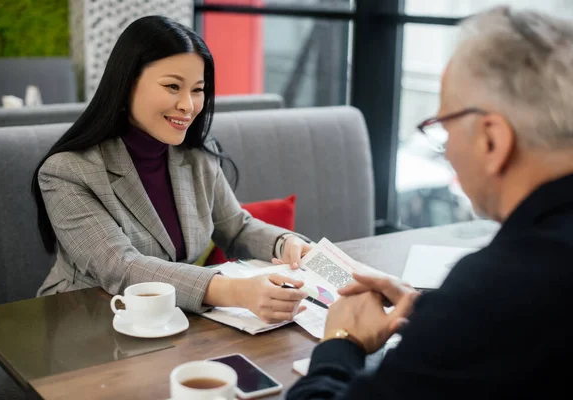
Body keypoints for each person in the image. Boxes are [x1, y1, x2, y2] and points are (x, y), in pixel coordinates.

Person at [287, 6, 573, 399]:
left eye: (443, 128)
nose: (447, 151)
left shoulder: (497, 290)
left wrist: (341, 342)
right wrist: (428, 309)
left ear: (492, 140)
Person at [31, 16, 312, 323]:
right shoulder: (66, 172)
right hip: (87, 322)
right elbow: (121, 266)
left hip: (175, 321)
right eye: (172, 86)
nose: (188, 105)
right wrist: (237, 291)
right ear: (127, 84)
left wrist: (285, 244)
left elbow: (237, 227)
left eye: (197, 90)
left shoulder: (197, 156)